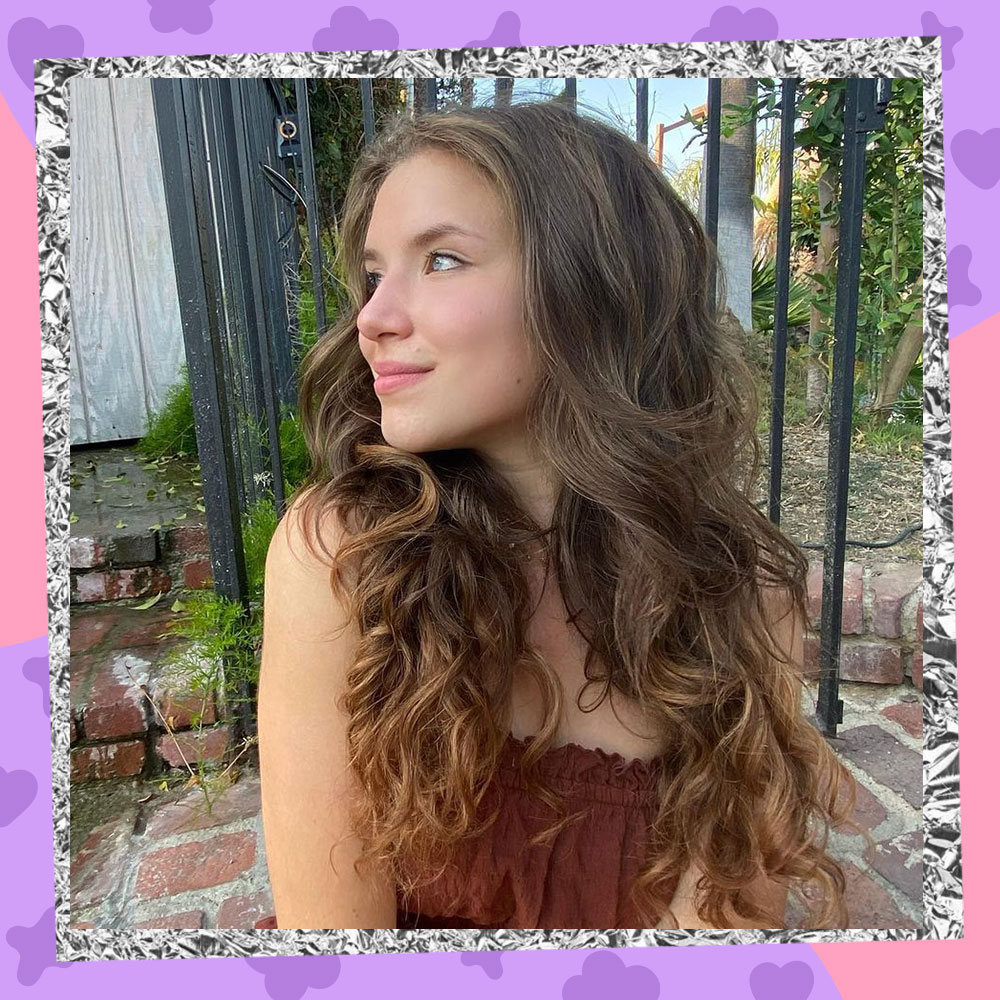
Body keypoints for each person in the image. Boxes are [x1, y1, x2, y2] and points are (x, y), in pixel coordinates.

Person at [256, 95, 857, 931]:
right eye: (372, 274)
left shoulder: (744, 597)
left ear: (591, 285)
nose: (372, 319)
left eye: (441, 261)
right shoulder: (346, 560)